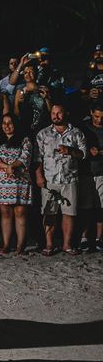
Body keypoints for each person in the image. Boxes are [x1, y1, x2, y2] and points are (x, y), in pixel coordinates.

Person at [35, 103, 86, 256]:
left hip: (69, 178)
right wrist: (39, 176)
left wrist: (70, 151)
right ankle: (49, 244)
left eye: (59, 113)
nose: (56, 116)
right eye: (53, 113)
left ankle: (67, 244)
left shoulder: (76, 133)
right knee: (49, 213)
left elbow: (84, 154)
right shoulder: (43, 134)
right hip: (50, 178)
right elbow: (37, 158)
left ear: (66, 113)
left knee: (69, 213)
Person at [0, 113, 33, 255]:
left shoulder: (24, 139)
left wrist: (13, 165)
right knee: (5, 212)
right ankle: (6, 244)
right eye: (4, 123)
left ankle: (21, 245)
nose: (7, 126)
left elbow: (25, 156)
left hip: (20, 180)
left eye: (10, 123)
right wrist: (6, 166)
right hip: (3, 182)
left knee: (20, 212)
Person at [77, 101, 103, 252]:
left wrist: (99, 152)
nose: (100, 120)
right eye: (97, 116)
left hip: (101, 172)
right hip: (86, 172)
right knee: (86, 207)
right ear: (91, 112)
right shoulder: (84, 127)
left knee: (101, 207)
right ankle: (85, 237)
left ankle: (100, 238)